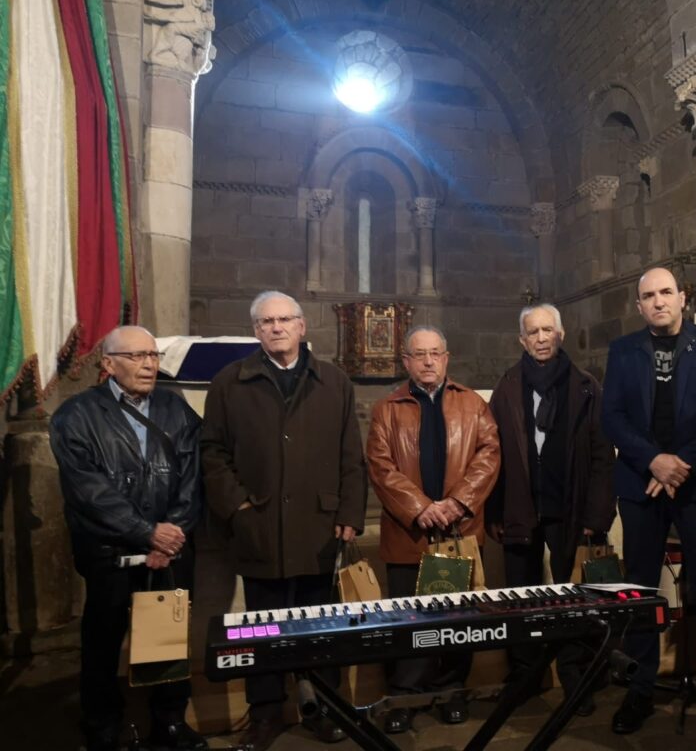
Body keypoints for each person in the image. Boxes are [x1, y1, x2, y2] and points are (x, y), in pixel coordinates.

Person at [201, 291, 367, 750]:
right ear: (256, 330)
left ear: (301, 326)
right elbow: (212, 452)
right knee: (263, 627)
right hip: (260, 524)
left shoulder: (333, 381)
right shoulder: (230, 382)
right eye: (266, 321)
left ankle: (325, 708)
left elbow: (351, 454)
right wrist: (238, 506)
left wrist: (350, 513)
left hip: (320, 526)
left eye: (285, 320)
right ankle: (265, 714)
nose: (276, 328)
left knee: (320, 625)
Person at [601, 267, 696, 746]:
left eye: (666, 292)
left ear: (683, 298)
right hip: (642, 484)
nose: (659, 301)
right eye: (649, 295)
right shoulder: (623, 350)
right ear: (639, 305)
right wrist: (654, 461)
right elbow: (613, 417)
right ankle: (640, 689)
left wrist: (681, 464)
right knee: (640, 591)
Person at [50, 326, 206, 751]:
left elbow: (193, 477)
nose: (149, 365)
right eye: (137, 356)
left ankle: (169, 721)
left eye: (153, 355)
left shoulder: (175, 409)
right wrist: (146, 533)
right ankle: (102, 725)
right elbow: (89, 492)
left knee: (168, 638)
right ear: (108, 364)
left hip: (171, 550)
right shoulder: (76, 415)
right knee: (103, 642)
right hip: (110, 552)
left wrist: (172, 534)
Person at [366, 326, 501, 735]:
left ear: (446, 358)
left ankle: (452, 690)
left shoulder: (473, 404)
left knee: (458, 620)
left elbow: (489, 454)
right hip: (409, 534)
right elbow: (380, 466)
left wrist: (458, 503)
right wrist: (420, 508)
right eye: (419, 354)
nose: (428, 361)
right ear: (406, 361)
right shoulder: (387, 408)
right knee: (408, 620)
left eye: (435, 353)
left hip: (459, 532)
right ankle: (405, 696)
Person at [487, 303, 616, 715]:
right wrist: (495, 510)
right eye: (533, 332)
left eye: (547, 330)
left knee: (574, 597)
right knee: (521, 598)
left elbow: (603, 456)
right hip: (521, 507)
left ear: (560, 335)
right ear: (521, 340)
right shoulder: (508, 387)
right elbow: (493, 454)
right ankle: (526, 674)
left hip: (570, 508)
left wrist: (597, 516)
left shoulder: (586, 387)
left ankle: (577, 674)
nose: (541, 338)